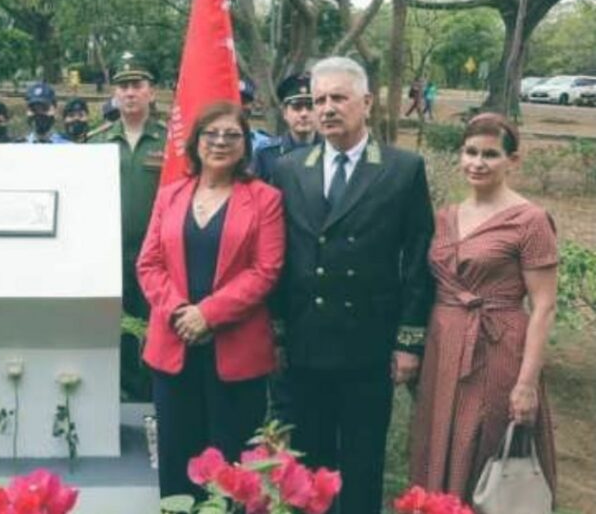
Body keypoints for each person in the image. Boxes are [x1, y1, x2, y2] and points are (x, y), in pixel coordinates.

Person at [270, 56, 435, 513]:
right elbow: (280, 258)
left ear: (366, 102)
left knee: (362, 465)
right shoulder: (289, 168)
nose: (325, 108)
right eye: (318, 99)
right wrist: (278, 331)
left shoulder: (402, 169)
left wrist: (409, 342)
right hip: (306, 345)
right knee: (310, 468)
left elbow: (418, 261)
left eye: (338, 98)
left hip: (368, 344)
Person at [137, 101, 284, 500]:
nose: (220, 142)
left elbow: (266, 270)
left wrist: (208, 314)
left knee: (232, 465)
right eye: (211, 134)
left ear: (245, 145)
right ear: (196, 141)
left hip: (236, 352)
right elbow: (148, 263)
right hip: (174, 347)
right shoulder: (170, 195)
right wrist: (180, 313)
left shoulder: (265, 199)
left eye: (232, 135)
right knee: (177, 459)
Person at [409, 113, 558, 503]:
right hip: (444, 347)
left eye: (490, 155)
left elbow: (544, 307)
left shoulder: (530, 221)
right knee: (438, 436)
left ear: (513, 161)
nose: (477, 162)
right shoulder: (446, 217)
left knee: (483, 441)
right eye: (470, 152)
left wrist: (526, 384)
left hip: (496, 347)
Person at [88, 51, 166, 401]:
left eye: (137, 85)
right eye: (123, 86)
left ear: (152, 91)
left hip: (157, 254)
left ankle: (151, 396)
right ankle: (116, 395)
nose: (130, 92)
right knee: (113, 325)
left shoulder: (170, 143)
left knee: (154, 327)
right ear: (114, 95)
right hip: (108, 254)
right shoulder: (96, 141)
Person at [252, 72, 322, 184]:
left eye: (310, 107)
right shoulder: (266, 154)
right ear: (284, 113)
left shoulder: (332, 150)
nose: (304, 114)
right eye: (297, 107)